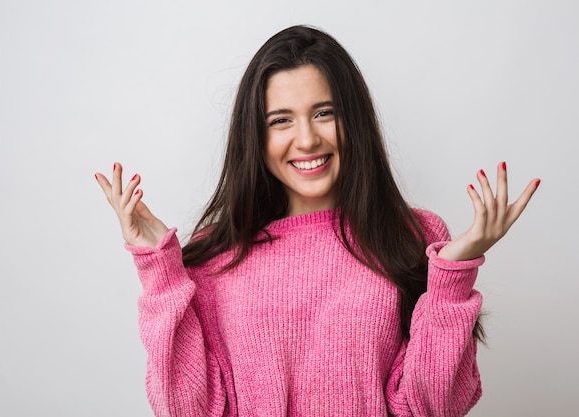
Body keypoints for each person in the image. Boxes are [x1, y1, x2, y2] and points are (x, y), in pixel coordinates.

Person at [95, 25, 539, 417]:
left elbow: (434, 407)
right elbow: (186, 410)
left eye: (324, 113)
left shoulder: (415, 238)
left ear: (354, 119)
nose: (307, 139)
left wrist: (453, 274)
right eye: (281, 120)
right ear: (255, 135)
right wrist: (161, 272)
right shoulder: (216, 254)